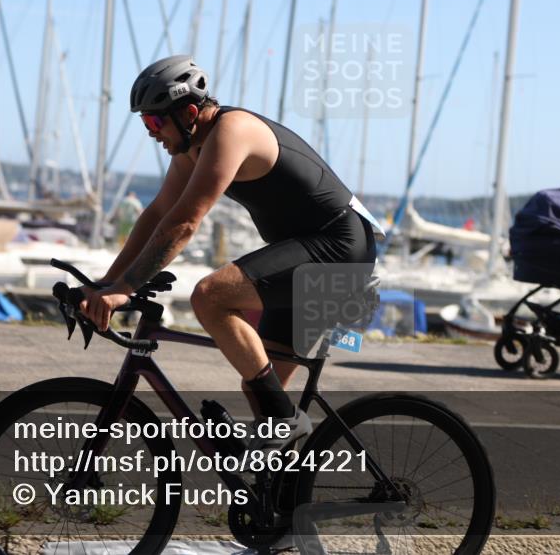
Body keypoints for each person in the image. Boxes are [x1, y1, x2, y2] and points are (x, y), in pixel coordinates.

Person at [80, 55, 379, 449]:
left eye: (155, 122)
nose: (152, 133)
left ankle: (286, 426)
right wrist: (107, 283)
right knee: (260, 385)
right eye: (144, 123)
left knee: (210, 296)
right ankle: (280, 500)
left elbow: (185, 222)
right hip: (309, 250)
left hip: (339, 249)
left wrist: (128, 287)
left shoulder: (231, 132)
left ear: (188, 112)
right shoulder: (191, 148)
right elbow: (157, 214)